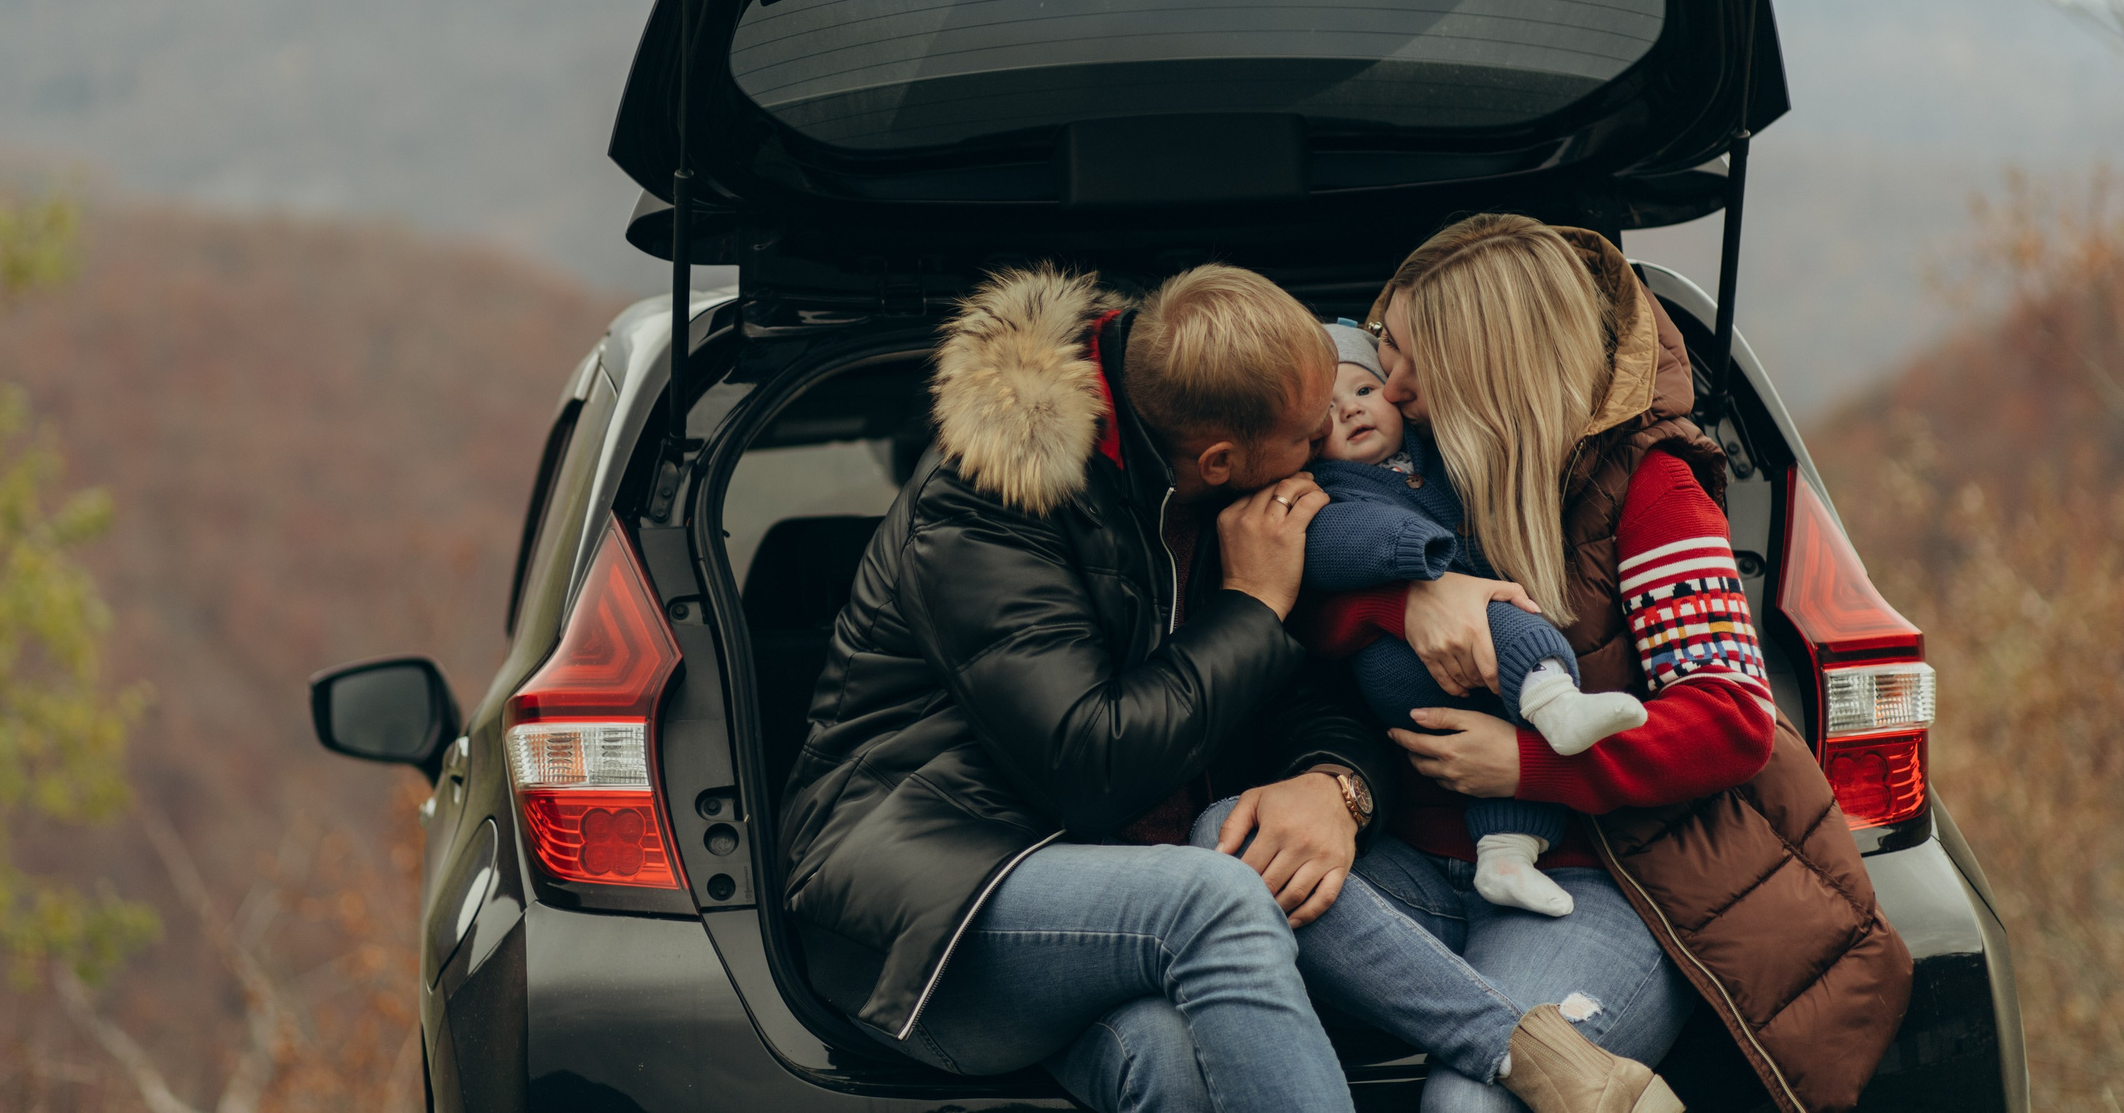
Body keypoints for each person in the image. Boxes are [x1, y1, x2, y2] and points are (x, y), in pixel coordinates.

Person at [1197, 215, 1910, 1113]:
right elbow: (1306, 579)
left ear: (1487, 362)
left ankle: (1515, 1058)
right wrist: (1413, 598)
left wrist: (1527, 763)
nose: (1393, 386)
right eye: (1386, 354)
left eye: (1413, 360)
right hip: (1415, 872)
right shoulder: (1415, 470)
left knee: (1471, 1105)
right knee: (1226, 849)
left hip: (1594, 882)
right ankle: (1521, 1047)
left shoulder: (1649, 488)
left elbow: (1731, 718)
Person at [778, 263, 1397, 1113]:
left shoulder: (1233, 501)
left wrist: (1335, 781)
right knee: (1214, 900)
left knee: (1171, 1062)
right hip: (928, 909)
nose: (1329, 439)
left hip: (1111, 918)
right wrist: (1250, 607)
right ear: (1219, 458)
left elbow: (1306, 687)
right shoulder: (985, 500)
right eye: (1306, 430)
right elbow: (1090, 762)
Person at [1300, 322, 1646, 918]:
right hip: (1400, 662)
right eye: (1326, 411)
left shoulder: (1442, 458)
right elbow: (1331, 543)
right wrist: (1426, 560)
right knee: (1507, 615)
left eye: (1362, 390)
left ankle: (1505, 858)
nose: (1350, 411)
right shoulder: (1329, 489)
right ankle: (1558, 702)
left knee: (1507, 741)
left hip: (1464, 672)